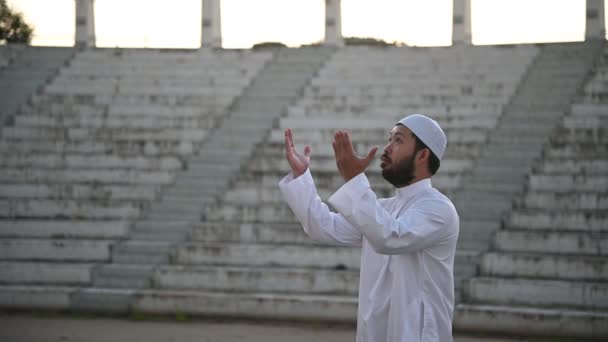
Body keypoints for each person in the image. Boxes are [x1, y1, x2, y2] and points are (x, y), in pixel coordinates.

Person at [278, 114, 459, 342]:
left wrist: (354, 179)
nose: (388, 148)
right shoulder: (385, 209)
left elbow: (390, 237)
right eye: (389, 139)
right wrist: (302, 177)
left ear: (422, 155)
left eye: (398, 141)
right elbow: (324, 227)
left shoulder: (439, 209)